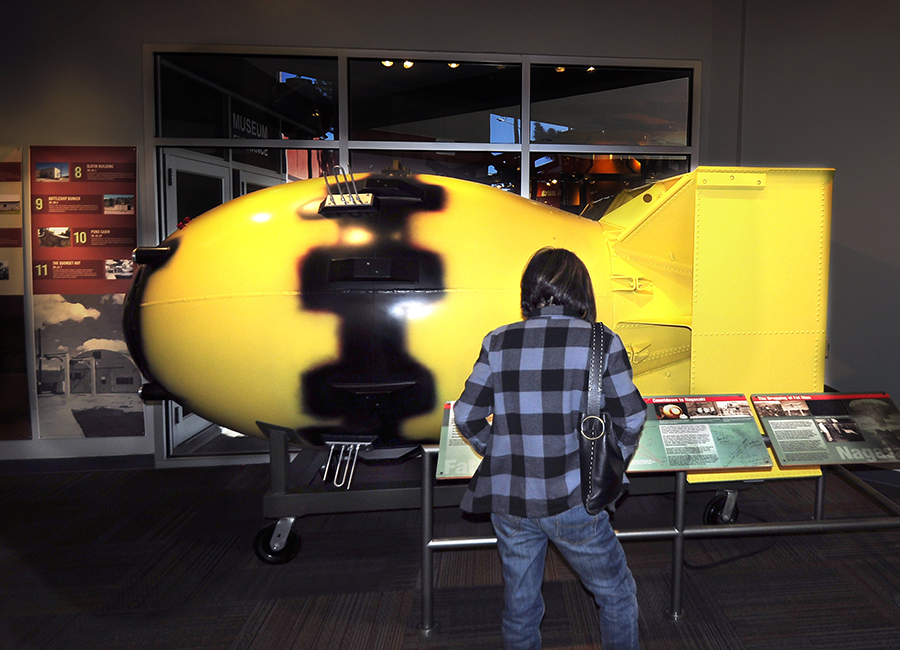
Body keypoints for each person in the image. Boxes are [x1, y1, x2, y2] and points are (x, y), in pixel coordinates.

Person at [453, 247, 646, 650]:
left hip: (510, 501)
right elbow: (631, 418)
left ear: (531, 290)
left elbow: (468, 414)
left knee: (520, 606)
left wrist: (500, 452)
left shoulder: (498, 340)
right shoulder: (601, 342)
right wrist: (611, 466)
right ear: (581, 290)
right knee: (616, 595)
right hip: (575, 498)